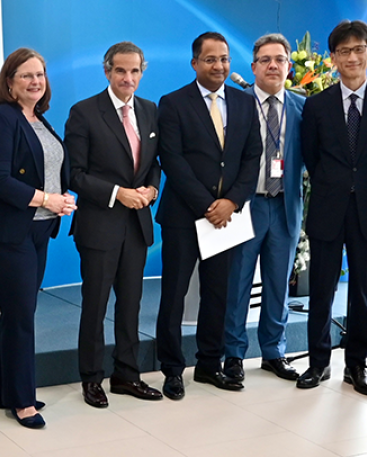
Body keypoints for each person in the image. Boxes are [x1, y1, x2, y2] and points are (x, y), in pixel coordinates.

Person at [297, 20, 367, 395]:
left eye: (359, 49)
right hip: (328, 208)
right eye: (344, 51)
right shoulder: (316, 105)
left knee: (363, 290)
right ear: (333, 59)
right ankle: (318, 363)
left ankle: (356, 365)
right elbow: (312, 157)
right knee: (322, 290)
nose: (352, 57)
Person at [0, 48, 75, 429]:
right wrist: (48, 199)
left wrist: (60, 201)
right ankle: (21, 400)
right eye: (26, 75)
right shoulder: (1, 120)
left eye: (40, 75)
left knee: (19, 312)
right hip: (3, 234)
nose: (35, 81)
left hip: (38, 229)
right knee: (20, 316)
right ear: (9, 81)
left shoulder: (40, 120)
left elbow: (51, 169)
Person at [156, 32, 264, 399]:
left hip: (227, 217)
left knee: (218, 294)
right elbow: (172, 160)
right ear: (195, 64)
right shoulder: (172, 104)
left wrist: (231, 202)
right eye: (210, 60)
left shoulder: (245, 104)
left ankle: (208, 364)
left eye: (224, 59)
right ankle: (171, 369)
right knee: (174, 294)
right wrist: (208, 205)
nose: (219, 66)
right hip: (185, 215)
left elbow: (253, 157)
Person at [66, 41, 164, 408]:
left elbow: (155, 161)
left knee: (131, 304)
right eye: (120, 71)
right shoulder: (84, 112)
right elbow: (75, 175)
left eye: (134, 71)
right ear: (107, 71)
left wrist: (152, 187)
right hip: (99, 224)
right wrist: (118, 193)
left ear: (143, 71)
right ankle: (91, 379)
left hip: (137, 225)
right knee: (95, 304)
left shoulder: (151, 111)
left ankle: (127, 375)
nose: (128, 78)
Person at [222, 34, 306, 384]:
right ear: (254, 66)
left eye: (280, 59)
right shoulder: (234, 104)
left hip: (284, 205)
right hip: (246, 204)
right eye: (266, 59)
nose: (273, 65)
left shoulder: (303, 107)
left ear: (289, 66)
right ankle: (233, 354)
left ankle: (274, 351)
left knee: (278, 284)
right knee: (237, 283)